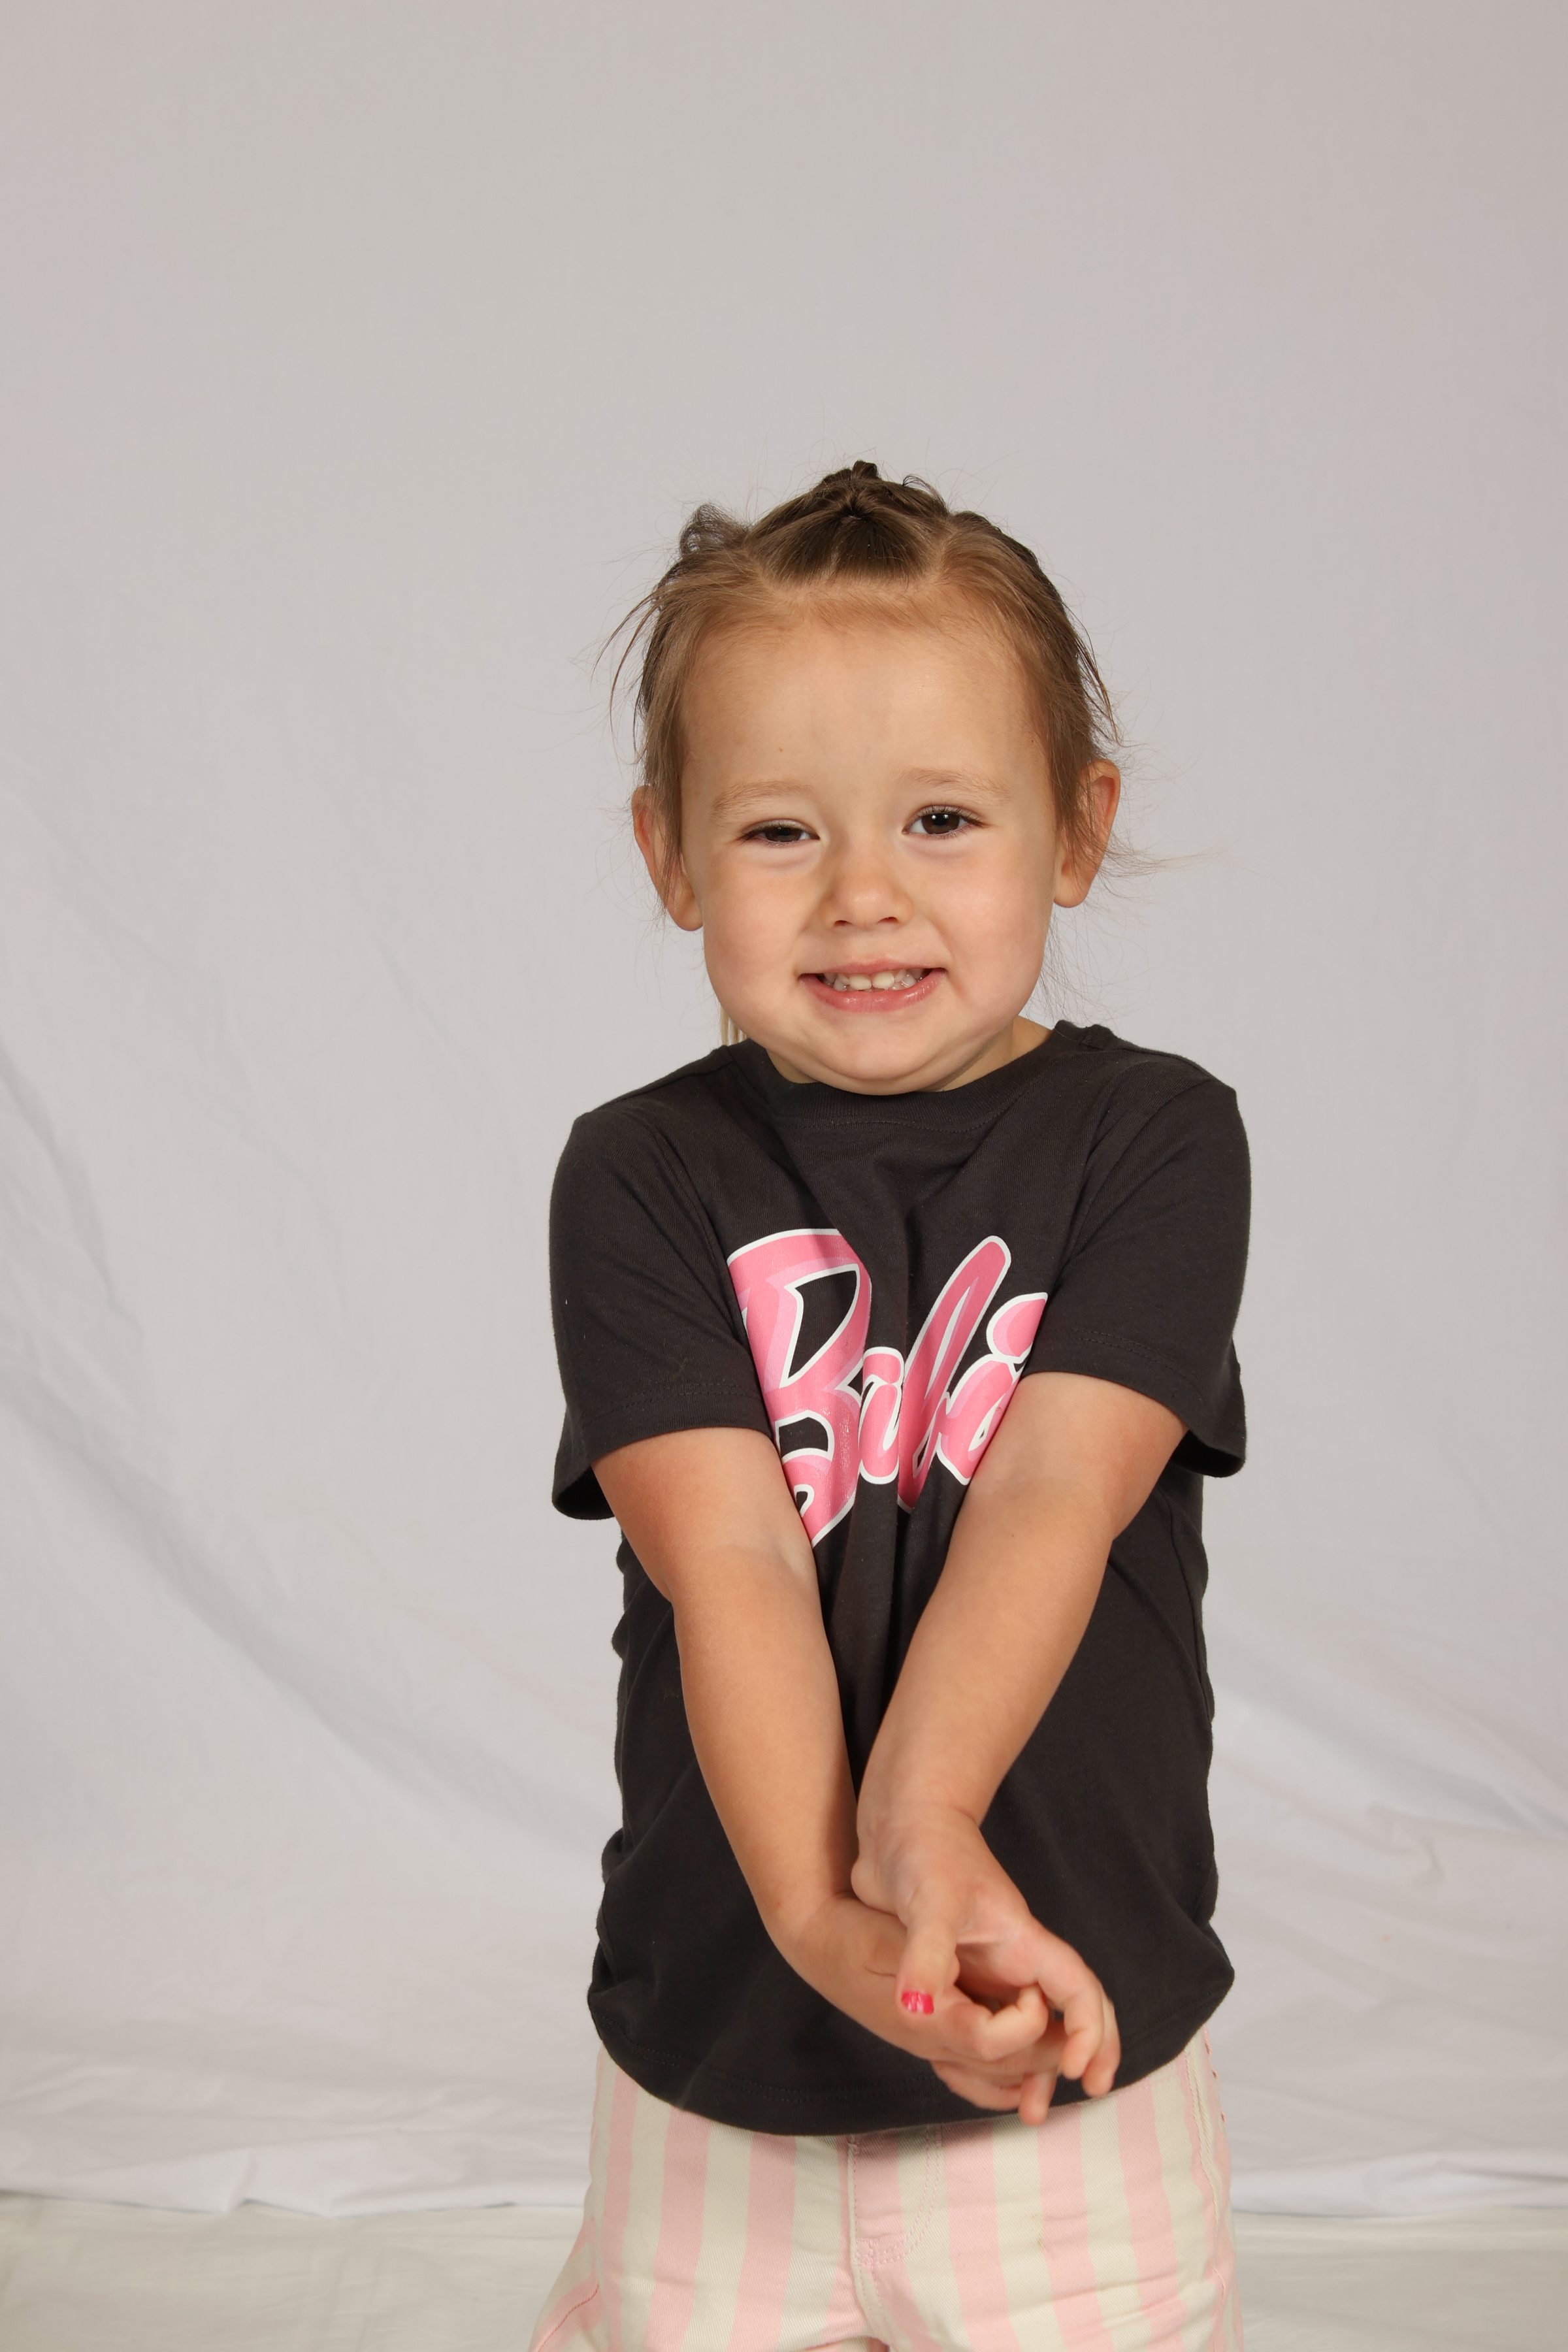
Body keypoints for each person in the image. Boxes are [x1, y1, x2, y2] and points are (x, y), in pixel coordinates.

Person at [531, 463, 1249, 2352]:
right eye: (780, 830)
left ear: (1076, 828)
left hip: (1065, 2044)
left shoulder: (1155, 1142)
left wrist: (925, 1830)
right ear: (670, 856)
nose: (864, 893)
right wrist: (824, 1916)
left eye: (942, 818)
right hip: (721, 2053)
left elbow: (1054, 1495)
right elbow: (734, 1562)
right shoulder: (642, 1174)